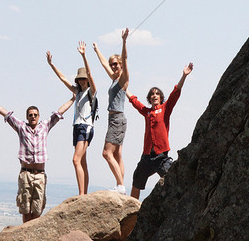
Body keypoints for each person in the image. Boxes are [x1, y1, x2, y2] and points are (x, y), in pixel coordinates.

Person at [0, 89, 74, 222]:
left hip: (40, 174)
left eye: (35, 115)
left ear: (39, 116)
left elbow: (60, 111)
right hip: (26, 174)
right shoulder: (21, 127)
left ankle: (33, 236)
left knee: (37, 208)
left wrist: (73, 99)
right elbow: (5, 113)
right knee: (25, 208)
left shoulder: (45, 126)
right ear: (27, 117)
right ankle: (25, 236)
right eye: (30, 115)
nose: (33, 117)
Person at [127, 62, 193, 199]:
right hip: (147, 156)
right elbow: (135, 102)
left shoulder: (165, 109)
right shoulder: (147, 112)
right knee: (137, 180)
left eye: (157, 94)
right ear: (149, 98)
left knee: (172, 179)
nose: (154, 95)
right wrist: (124, 88)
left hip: (161, 156)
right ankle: (132, 211)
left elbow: (175, 94)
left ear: (161, 98)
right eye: (152, 94)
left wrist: (184, 76)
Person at [46, 42, 97, 195]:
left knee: (76, 160)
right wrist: (51, 64)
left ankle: (81, 194)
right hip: (77, 127)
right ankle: (84, 193)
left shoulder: (91, 92)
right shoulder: (77, 91)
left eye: (84, 79)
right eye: (80, 79)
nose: (82, 81)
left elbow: (90, 73)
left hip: (85, 127)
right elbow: (62, 78)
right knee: (82, 161)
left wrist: (83, 55)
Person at [93, 28, 130, 193]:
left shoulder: (123, 78)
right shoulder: (114, 79)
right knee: (117, 155)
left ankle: (121, 186)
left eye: (116, 64)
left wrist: (123, 41)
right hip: (116, 120)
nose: (113, 66)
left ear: (121, 65)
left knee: (106, 153)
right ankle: (120, 184)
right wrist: (96, 50)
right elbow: (103, 63)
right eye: (112, 64)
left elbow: (126, 58)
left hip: (117, 120)